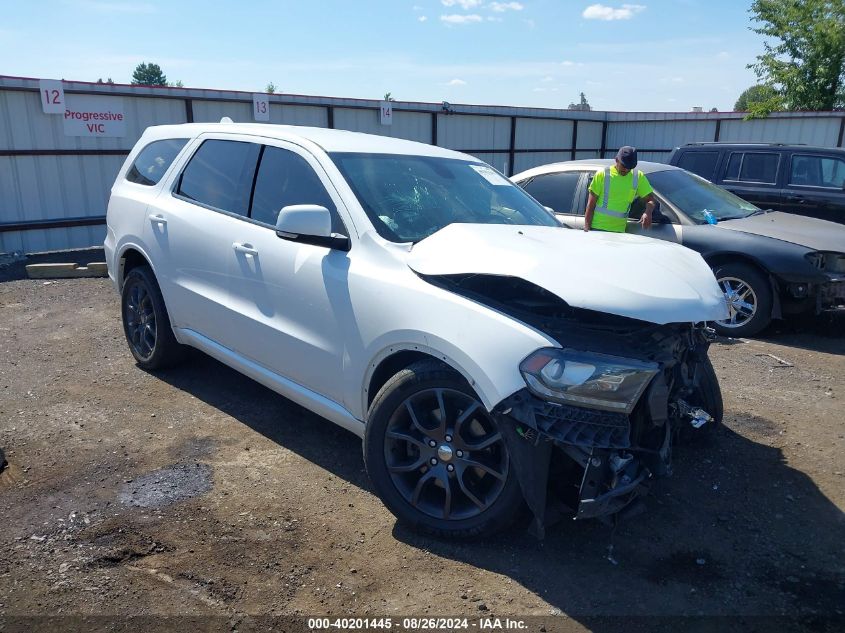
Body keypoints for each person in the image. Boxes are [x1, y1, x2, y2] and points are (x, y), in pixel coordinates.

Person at [584, 146, 656, 232]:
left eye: (629, 167)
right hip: (598, 229)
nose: (626, 170)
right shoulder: (602, 175)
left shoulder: (638, 177)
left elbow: (650, 199)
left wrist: (648, 212)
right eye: (623, 165)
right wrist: (587, 229)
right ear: (616, 160)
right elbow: (590, 205)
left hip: (619, 231)